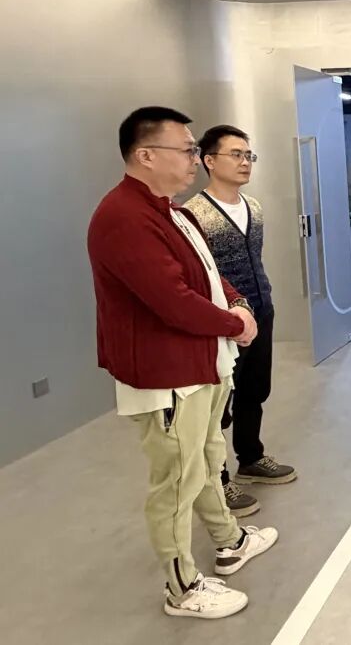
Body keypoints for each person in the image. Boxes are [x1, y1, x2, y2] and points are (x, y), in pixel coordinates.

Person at [87, 107, 278, 620]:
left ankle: (229, 541)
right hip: (166, 374)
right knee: (176, 480)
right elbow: (171, 300)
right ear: (146, 155)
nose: (196, 157)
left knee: (207, 460)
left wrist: (236, 303)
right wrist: (235, 323)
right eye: (188, 149)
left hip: (202, 362)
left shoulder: (171, 211)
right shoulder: (123, 217)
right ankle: (182, 588)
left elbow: (208, 274)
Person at [186, 125, 296, 519]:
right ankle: (217, 480)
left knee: (255, 389)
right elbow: (201, 275)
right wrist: (226, 314)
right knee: (218, 405)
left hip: (261, 310)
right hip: (223, 321)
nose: (245, 162)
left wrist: (261, 303)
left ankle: (250, 458)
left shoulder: (254, 206)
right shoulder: (193, 213)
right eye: (236, 154)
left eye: (249, 155)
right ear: (209, 160)